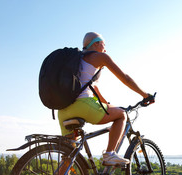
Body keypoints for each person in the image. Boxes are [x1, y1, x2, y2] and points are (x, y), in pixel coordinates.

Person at [58, 32, 152, 165]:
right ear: (96, 43)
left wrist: (108, 104)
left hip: (63, 110)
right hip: (82, 106)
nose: (105, 48)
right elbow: (125, 78)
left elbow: (93, 88)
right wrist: (145, 95)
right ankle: (109, 155)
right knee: (121, 115)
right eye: (103, 44)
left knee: (68, 157)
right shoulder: (100, 57)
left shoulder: (75, 61)